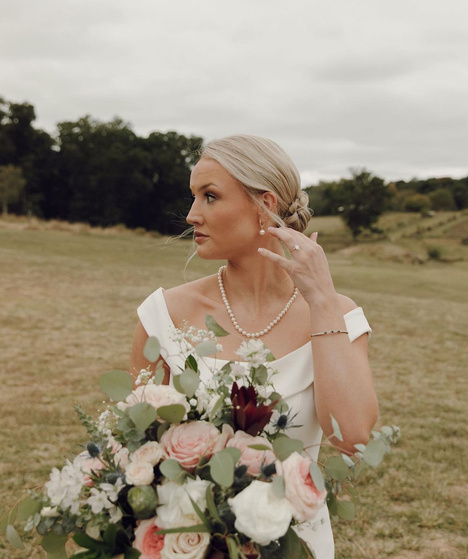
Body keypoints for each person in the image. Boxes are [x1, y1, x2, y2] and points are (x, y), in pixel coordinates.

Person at [130, 134, 379, 558]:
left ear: (265, 206)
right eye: (193, 196)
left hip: (293, 546)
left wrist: (322, 302)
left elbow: (353, 439)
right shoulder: (163, 314)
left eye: (210, 196)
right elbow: (137, 454)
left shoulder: (337, 314)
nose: (191, 214)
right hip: (184, 544)